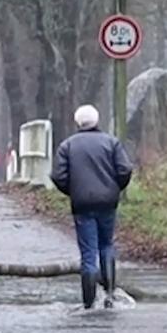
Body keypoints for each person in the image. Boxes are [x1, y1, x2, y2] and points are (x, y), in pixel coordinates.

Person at [50, 104, 133, 309]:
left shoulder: (67, 146)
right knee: (106, 245)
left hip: (82, 204)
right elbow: (125, 169)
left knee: (88, 253)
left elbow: (58, 176)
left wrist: (73, 191)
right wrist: (114, 189)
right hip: (107, 202)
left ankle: (88, 302)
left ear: (78, 122)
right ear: (97, 120)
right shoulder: (111, 143)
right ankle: (110, 294)